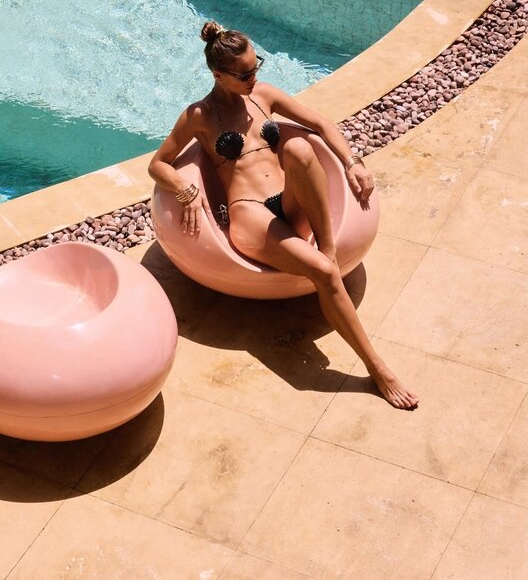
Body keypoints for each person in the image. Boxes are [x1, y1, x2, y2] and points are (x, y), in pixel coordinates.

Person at [149, 20, 419, 410]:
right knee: (324, 274)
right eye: (244, 74)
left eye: (256, 66)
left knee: (300, 149)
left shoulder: (264, 95)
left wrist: (353, 163)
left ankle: (327, 249)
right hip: (251, 216)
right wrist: (185, 189)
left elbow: (320, 124)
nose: (254, 78)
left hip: (290, 204)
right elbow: (158, 164)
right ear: (218, 75)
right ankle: (377, 369)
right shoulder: (199, 115)